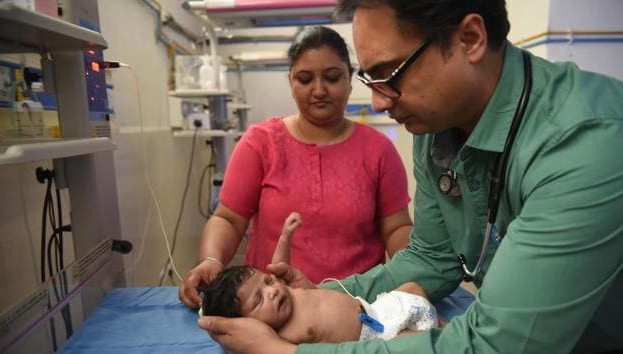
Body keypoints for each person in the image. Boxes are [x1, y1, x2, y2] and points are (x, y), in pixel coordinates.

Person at [198, 1, 623, 353]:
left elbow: (497, 346)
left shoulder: (585, 143)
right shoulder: (437, 127)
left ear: (470, 38)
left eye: (390, 74)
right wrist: (320, 298)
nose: (380, 102)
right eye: (370, 78)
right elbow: (432, 257)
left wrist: (286, 352)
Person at [179, 25, 413, 309]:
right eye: (304, 79)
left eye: (332, 77)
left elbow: (397, 227)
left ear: (350, 80)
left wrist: (409, 279)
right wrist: (211, 260)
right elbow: (228, 218)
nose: (319, 90)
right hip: (270, 307)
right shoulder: (260, 143)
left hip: (354, 307)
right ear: (290, 82)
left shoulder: (378, 150)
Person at [199, 212, 439, 343]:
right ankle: (448, 337)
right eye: (258, 301)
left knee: (413, 288)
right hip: (378, 339)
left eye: (268, 282)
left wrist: (286, 235)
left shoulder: (287, 292)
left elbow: (278, 267)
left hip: (374, 310)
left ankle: (447, 326)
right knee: (425, 342)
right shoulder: (281, 336)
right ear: (249, 323)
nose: (271, 291)